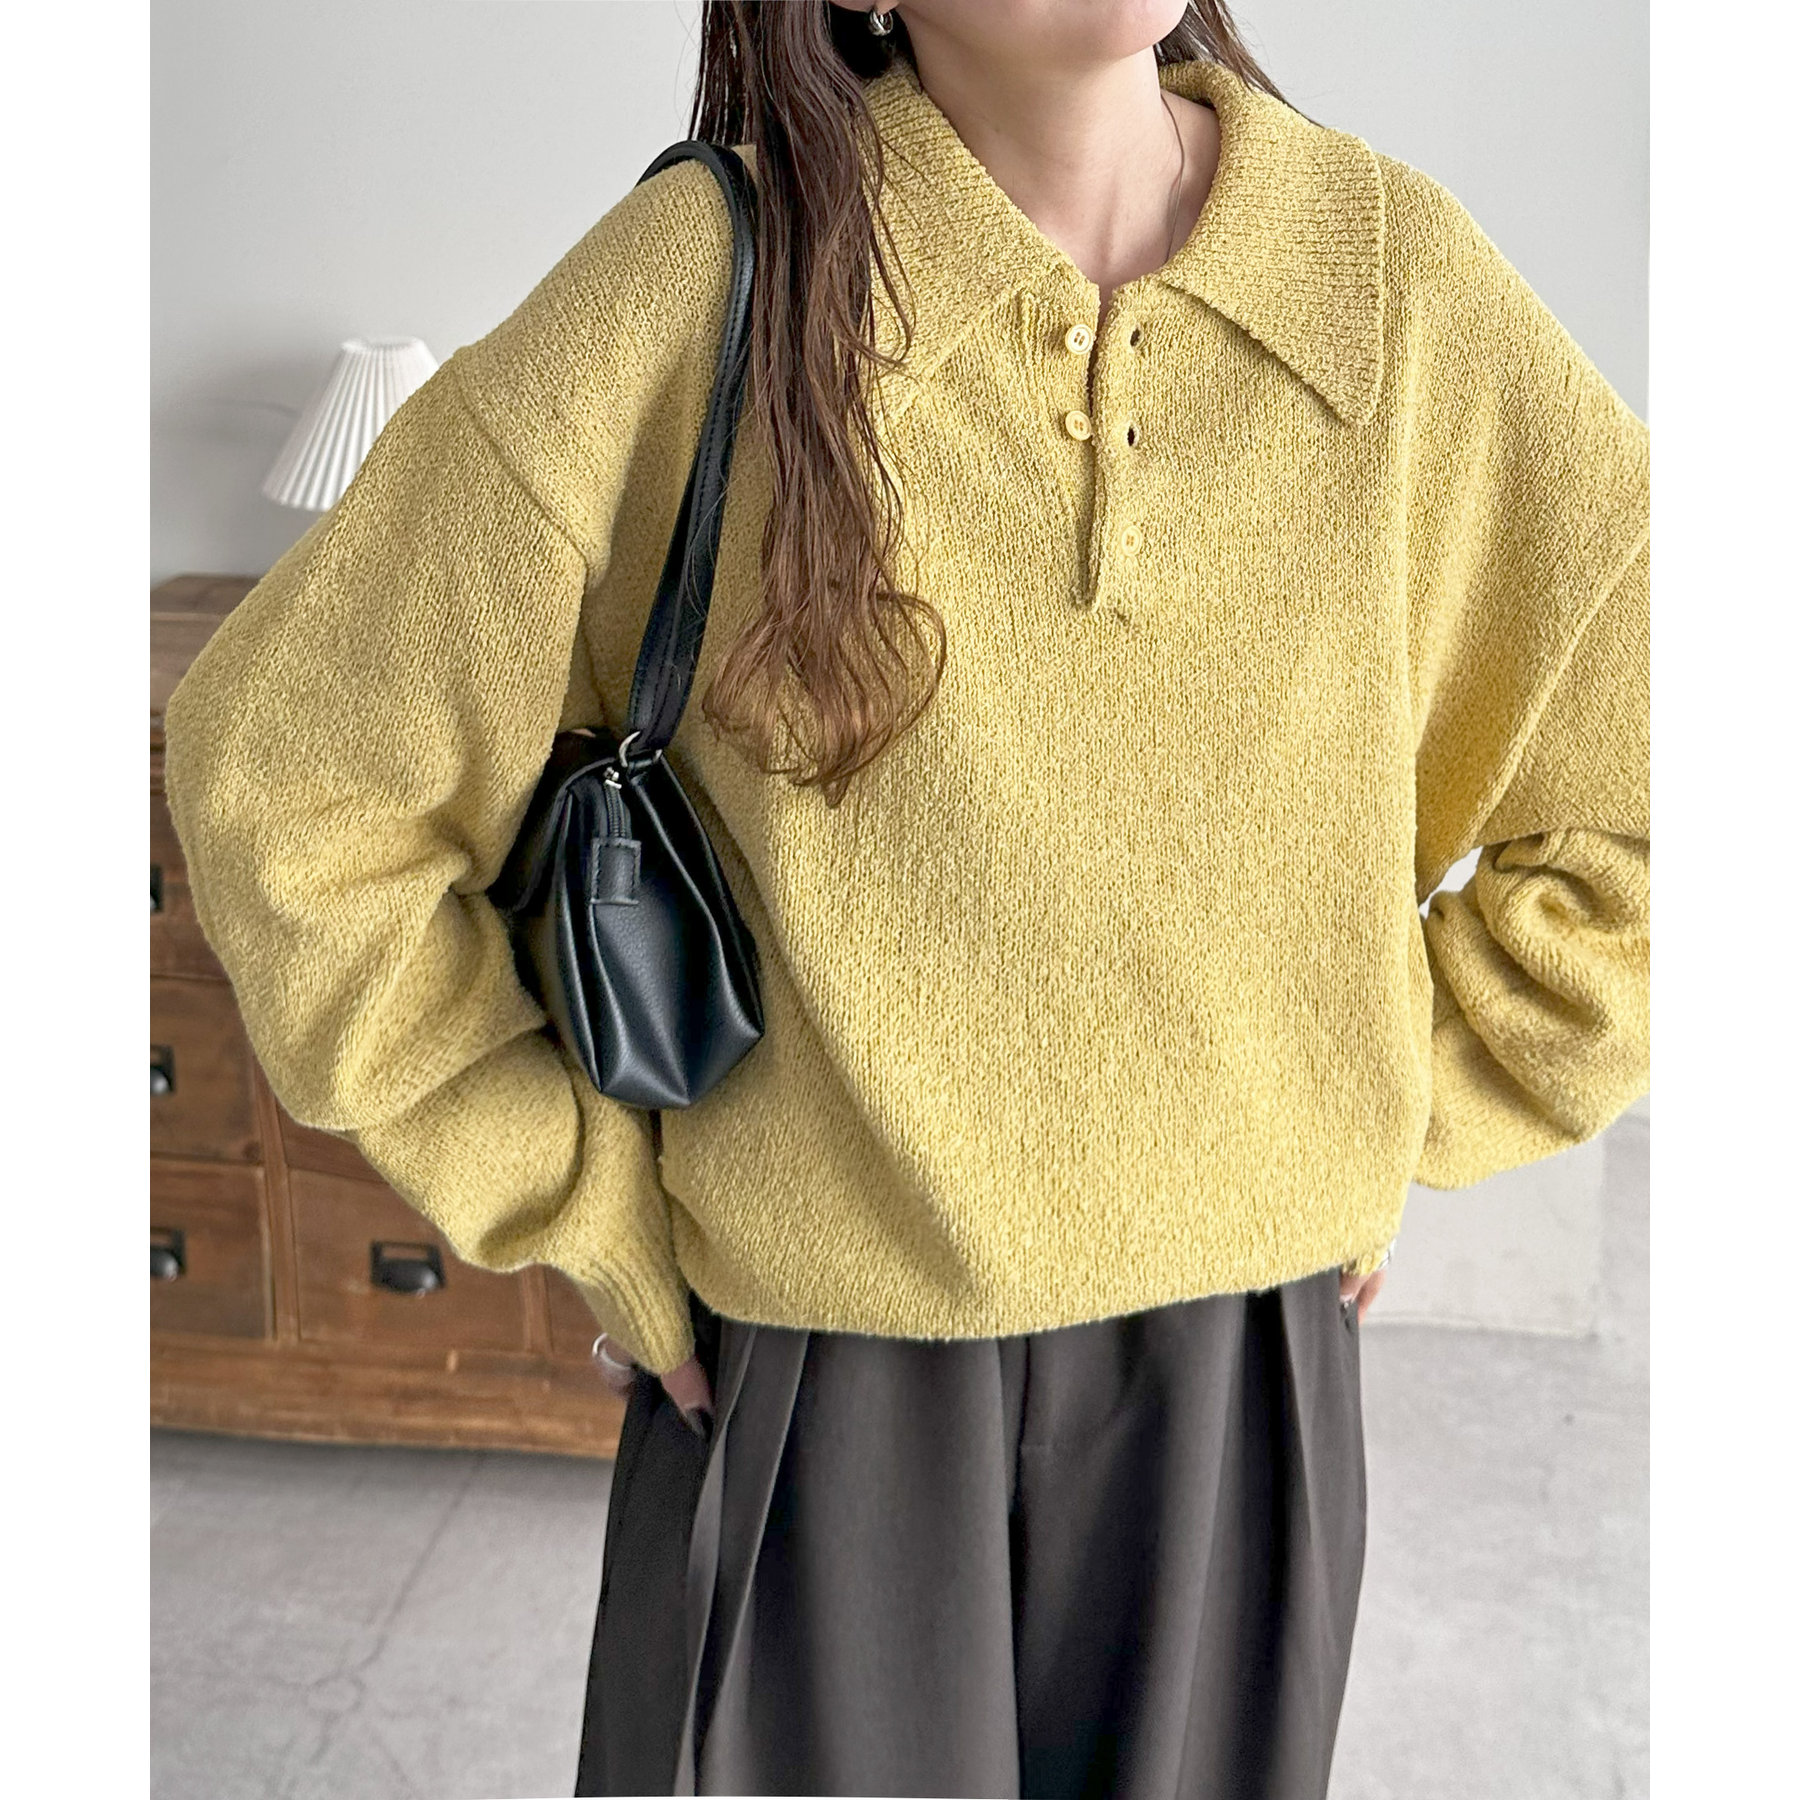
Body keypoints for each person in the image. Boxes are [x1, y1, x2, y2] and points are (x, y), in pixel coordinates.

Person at [160, 2, 1650, 1796]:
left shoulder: (1392, 285)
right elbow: (296, 780)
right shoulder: (705, 279)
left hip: (1244, 1365)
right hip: (821, 1367)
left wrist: (1399, 1099)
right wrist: (577, 1194)